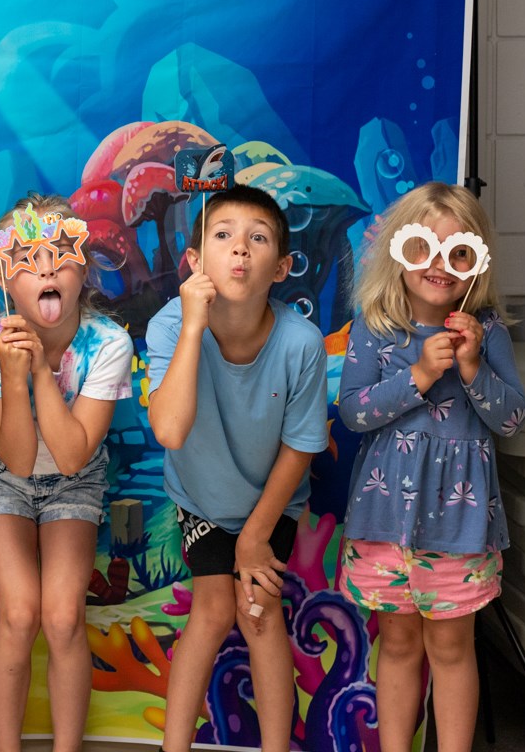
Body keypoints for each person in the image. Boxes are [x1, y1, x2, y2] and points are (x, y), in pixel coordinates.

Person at [337, 182, 525, 752]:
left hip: (459, 529)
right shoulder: (376, 326)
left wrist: (472, 368)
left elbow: (512, 419)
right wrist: (417, 375)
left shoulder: (486, 330)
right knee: (396, 644)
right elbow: (352, 412)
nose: (440, 265)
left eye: (459, 252)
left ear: (476, 263)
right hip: (383, 523)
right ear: (400, 249)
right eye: (425, 247)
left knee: (451, 649)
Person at [145, 184, 328, 752]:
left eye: (258, 238)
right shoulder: (171, 326)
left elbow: (301, 447)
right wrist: (195, 326)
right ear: (195, 263)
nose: (240, 250)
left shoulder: (302, 343)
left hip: (270, 498)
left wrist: (254, 535)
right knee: (213, 608)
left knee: (258, 610)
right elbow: (170, 431)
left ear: (282, 267)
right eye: (222, 237)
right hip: (200, 495)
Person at [0, 194, 132, 752]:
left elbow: (70, 457)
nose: (45, 268)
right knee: (18, 613)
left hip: (73, 478)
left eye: (61, 254)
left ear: (85, 269)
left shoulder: (109, 342)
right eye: (26, 257)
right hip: (1, 477)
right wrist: (14, 374)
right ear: (4, 278)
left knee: (62, 620)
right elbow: (13, 458)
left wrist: (38, 368)